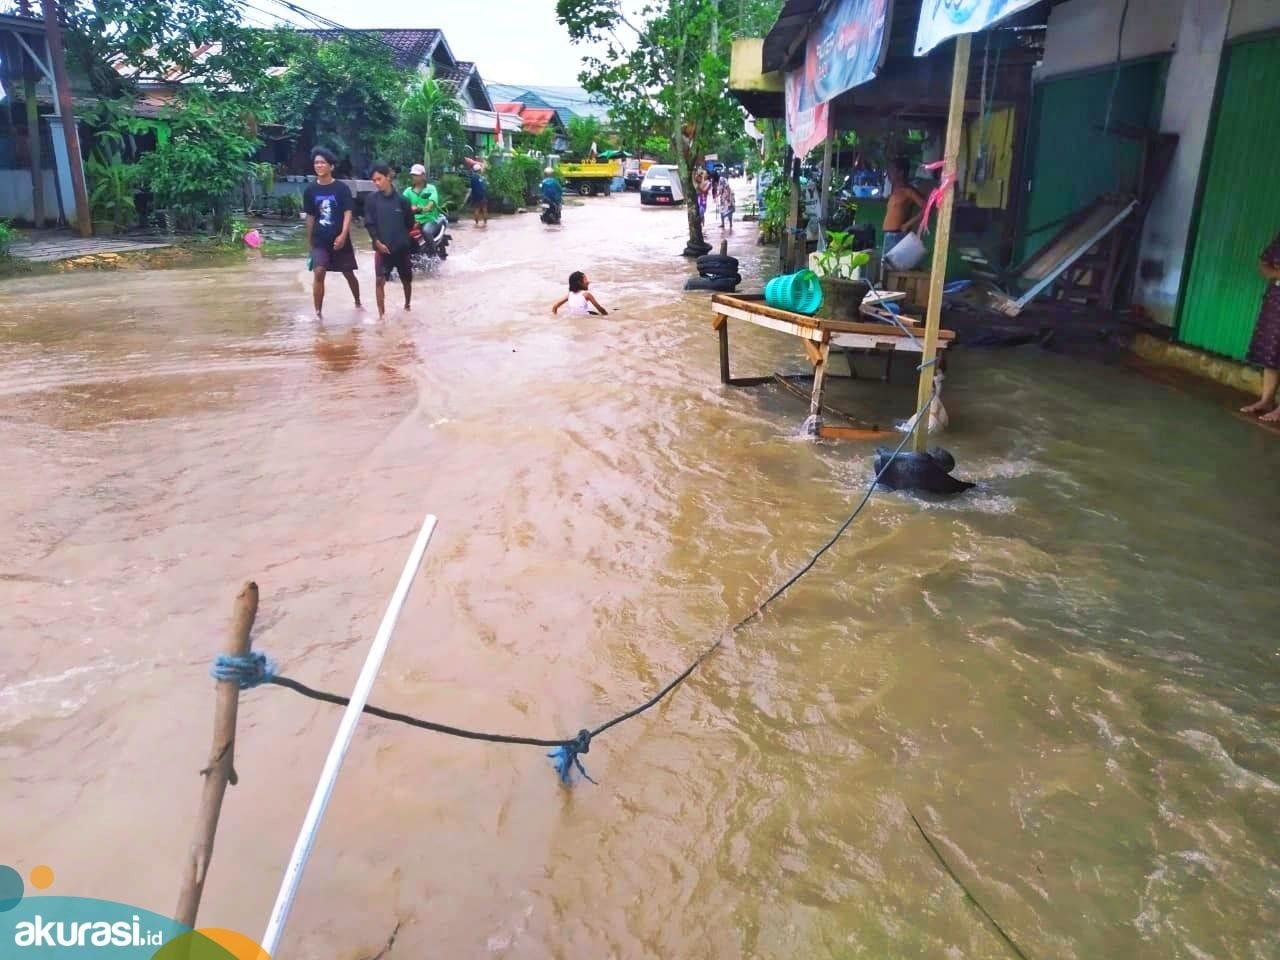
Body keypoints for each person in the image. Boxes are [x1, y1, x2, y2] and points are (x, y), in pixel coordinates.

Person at [303, 147, 361, 318]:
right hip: (320, 239)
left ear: (331, 166)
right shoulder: (310, 190)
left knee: (348, 273)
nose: (319, 165)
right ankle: (318, 313)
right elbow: (310, 216)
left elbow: (348, 212)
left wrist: (343, 235)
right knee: (319, 271)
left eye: (322, 162)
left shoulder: (341, 189)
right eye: (316, 163)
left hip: (339, 239)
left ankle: (358, 302)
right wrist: (309, 241)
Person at [364, 163, 415, 320]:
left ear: (388, 177)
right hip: (381, 249)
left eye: (379, 179)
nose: (377, 183)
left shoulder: (402, 201)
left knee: (406, 280)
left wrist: (400, 238)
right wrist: (377, 241)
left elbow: (409, 223)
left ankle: (407, 305)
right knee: (379, 281)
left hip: (401, 248)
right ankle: (381, 316)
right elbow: (369, 223)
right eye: (374, 180)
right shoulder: (371, 200)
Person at [1240, 231, 1280, 422]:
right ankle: (1266, 400)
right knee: (1271, 351)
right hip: (1276, 299)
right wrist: (1277, 273)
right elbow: (1264, 265)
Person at [882, 157, 926, 263]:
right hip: (888, 235)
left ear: (901, 173)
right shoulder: (894, 191)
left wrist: (907, 224)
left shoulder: (908, 191)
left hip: (898, 235)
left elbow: (927, 207)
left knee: (894, 267)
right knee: (886, 267)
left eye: (892, 170)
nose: (889, 174)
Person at [402, 163, 441, 230]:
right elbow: (402, 204)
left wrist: (419, 209)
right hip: (413, 221)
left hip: (428, 219)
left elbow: (429, 206)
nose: (414, 177)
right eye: (413, 175)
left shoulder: (431, 188)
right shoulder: (408, 191)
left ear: (423, 175)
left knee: (426, 231)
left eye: (416, 175)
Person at [465, 159, 488, 227]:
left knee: (476, 209)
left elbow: (471, 187)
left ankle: (476, 224)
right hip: (482, 195)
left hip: (475, 196)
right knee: (484, 209)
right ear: (479, 170)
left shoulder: (473, 178)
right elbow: (484, 186)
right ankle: (485, 223)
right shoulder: (481, 177)